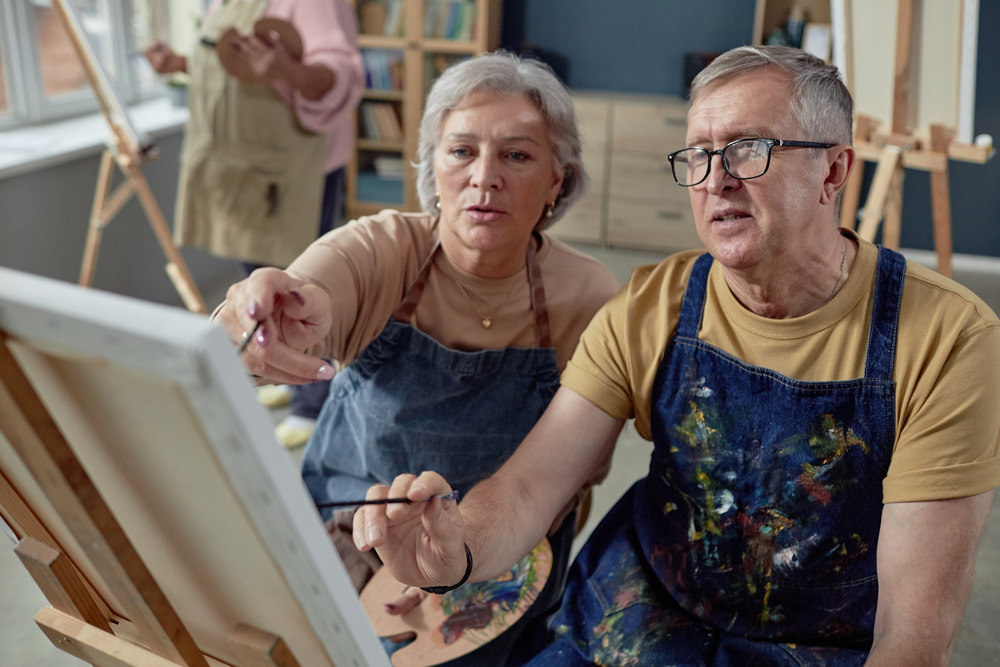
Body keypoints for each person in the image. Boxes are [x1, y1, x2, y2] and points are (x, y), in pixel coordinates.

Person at [352, 45, 1000, 665]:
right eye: (698, 154)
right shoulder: (652, 305)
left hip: (815, 651)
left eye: (748, 149)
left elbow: (913, 636)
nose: (715, 180)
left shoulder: (947, 339)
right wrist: (455, 547)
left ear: (832, 170)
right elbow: (528, 486)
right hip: (634, 624)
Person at [214, 51, 620, 665]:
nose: (485, 177)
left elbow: (573, 477)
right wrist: (261, 317)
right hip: (346, 522)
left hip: (500, 547)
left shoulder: (589, 296)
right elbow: (296, 304)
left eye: (517, 154)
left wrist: (451, 558)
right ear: (432, 164)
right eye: (461, 151)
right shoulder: (380, 249)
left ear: (556, 181)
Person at [143, 0, 364, 449]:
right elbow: (228, 60)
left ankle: (314, 400)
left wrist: (290, 71)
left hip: (292, 171)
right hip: (240, 166)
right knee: (257, 285)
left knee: (302, 289)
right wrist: (180, 63)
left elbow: (345, 73)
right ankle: (280, 371)